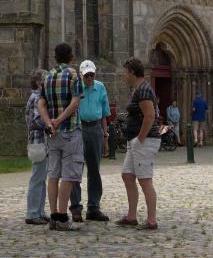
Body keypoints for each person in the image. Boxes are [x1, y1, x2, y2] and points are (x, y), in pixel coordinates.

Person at [38, 42, 84, 232]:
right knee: (68, 175)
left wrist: (49, 123)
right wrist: (59, 120)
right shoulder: (74, 75)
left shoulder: (47, 76)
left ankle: (54, 215)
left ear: (55, 57)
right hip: (70, 130)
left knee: (53, 174)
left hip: (53, 134)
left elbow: (41, 104)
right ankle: (63, 217)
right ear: (71, 56)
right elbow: (75, 102)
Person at [115, 57, 161, 231]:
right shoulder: (137, 89)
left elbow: (150, 116)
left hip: (145, 140)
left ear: (132, 72)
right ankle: (131, 216)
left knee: (145, 180)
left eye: (125, 72)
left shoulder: (143, 90)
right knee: (127, 175)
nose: (124, 75)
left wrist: (140, 138)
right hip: (135, 140)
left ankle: (151, 220)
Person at [69, 59, 111, 222]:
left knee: (94, 169)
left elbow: (104, 114)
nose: (89, 78)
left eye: (92, 75)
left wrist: (105, 136)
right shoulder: (76, 87)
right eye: (86, 75)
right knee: (76, 169)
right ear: (81, 75)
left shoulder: (100, 87)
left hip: (95, 129)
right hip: (79, 128)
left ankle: (94, 207)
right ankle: (76, 208)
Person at [24, 68, 49, 225]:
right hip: (38, 141)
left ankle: (39, 211)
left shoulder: (38, 97)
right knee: (37, 177)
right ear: (40, 82)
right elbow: (35, 121)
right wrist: (49, 122)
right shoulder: (36, 98)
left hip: (41, 141)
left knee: (41, 178)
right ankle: (33, 212)